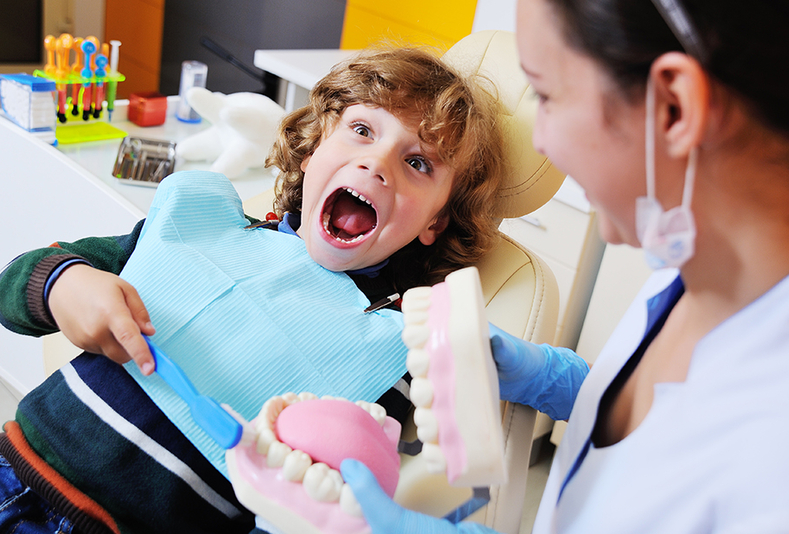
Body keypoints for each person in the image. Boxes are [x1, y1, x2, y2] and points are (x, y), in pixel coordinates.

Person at [0, 46, 507, 534]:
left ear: (435, 223)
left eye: (418, 162)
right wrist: (65, 284)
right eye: (360, 130)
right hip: (13, 468)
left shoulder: (397, 349)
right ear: (312, 152)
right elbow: (14, 285)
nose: (377, 163)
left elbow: (322, 506)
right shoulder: (197, 223)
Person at [340, 0, 789, 532]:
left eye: (547, 96)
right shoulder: (693, 265)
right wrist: (555, 380)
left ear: (674, 108)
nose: (540, 142)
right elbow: (661, 417)